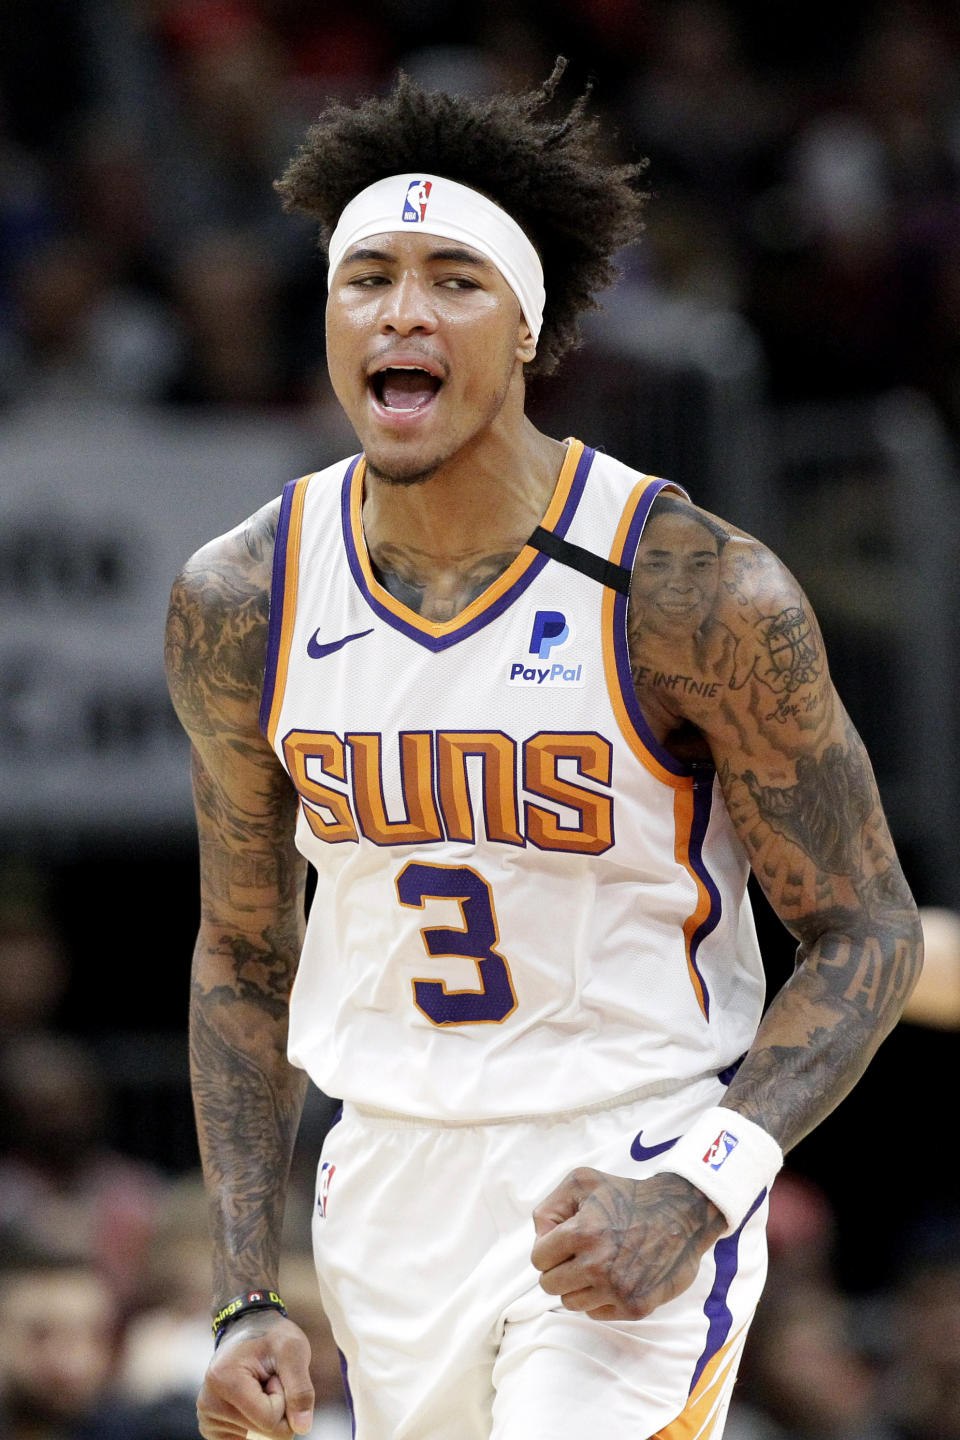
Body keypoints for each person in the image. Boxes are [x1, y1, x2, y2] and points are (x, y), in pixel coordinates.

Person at [164, 65, 922, 1440]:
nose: (403, 309)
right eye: (368, 277)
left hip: (625, 1154)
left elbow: (869, 930)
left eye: (454, 279)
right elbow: (242, 957)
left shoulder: (690, 590)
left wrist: (701, 1183)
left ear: (527, 328)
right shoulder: (246, 596)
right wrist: (240, 1293)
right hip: (384, 1180)